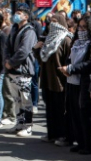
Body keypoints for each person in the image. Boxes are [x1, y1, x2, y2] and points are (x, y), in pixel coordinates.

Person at [59, 13, 91, 155]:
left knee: (86, 114)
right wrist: (67, 67)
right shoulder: (75, 43)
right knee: (74, 113)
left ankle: (89, 145)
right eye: (80, 27)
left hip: (85, 82)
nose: (81, 30)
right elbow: (70, 59)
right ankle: (80, 142)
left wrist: (71, 69)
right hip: (72, 81)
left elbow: (90, 63)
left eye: (85, 28)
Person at [35, 14, 73, 145]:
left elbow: (69, 60)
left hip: (60, 81)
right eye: (51, 21)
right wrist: (37, 50)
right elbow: (42, 60)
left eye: (55, 21)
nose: (53, 24)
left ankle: (62, 135)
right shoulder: (49, 39)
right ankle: (52, 133)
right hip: (47, 79)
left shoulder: (66, 39)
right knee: (50, 109)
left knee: (60, 110)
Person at [4, 3, 38, 137]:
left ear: (26, 16)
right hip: (12, 70)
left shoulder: (29, 31)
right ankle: (19, 123)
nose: (16, 15)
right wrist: (7, 61)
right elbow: (6, 47)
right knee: (16, 99)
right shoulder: (14, 29)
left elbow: (24, 50)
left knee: (25, 99)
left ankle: (28, 126)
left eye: (19, 13)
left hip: (23, 70)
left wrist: (11, 62)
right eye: (16, 12)